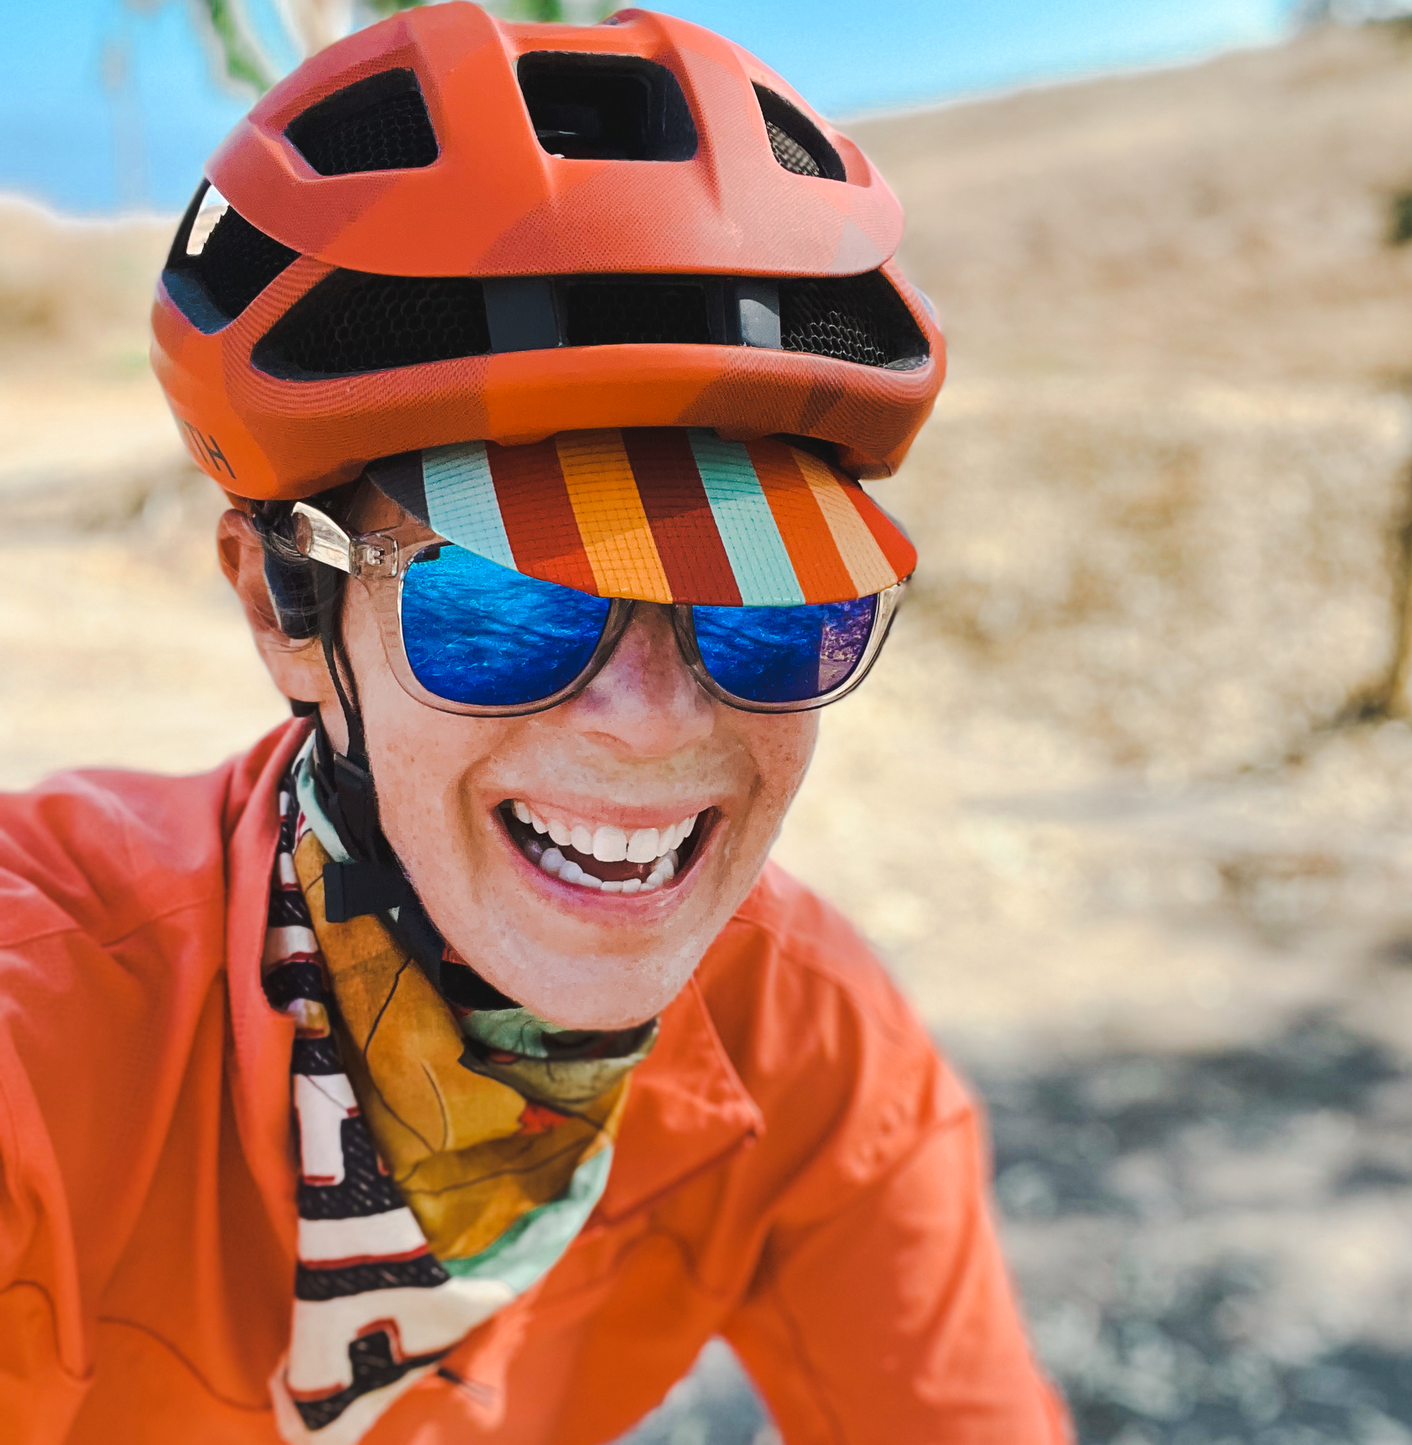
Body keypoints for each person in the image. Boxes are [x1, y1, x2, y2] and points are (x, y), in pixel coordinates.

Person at [0, 5, 1071, 1442]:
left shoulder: (812, 1041)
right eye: (504, 608)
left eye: (768, 611)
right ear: (286, 609)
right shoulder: (47, 1023)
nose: (650, 722)